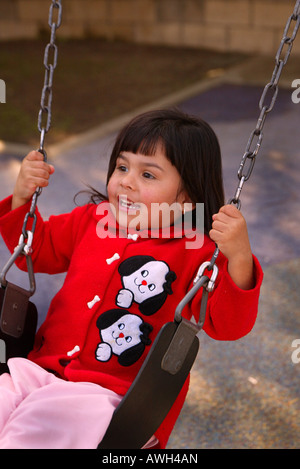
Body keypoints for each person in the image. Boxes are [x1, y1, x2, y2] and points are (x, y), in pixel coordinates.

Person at [0, 109, 263, 449]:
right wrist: (22, 197)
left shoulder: (195, 251)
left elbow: (227, 325)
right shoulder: (93, 219)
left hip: (115, 398)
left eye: (148, 175)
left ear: (186, 197)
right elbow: (39, 249)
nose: (125, 180)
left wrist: (239, 257)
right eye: (122, 167)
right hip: (42, 370)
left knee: (35, 425)